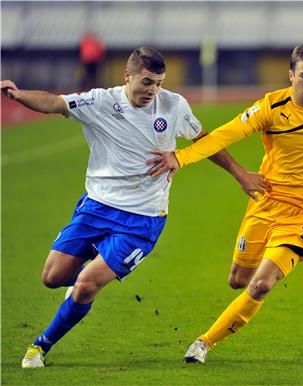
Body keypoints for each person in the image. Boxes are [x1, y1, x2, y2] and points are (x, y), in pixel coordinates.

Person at [1, 47, 268, 369]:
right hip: (96, 207)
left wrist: (240, 175)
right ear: (127, 76)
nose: (152, 91)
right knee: (52, 278)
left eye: (158, 83)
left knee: (86, 286)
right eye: (146, 82)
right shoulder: (100, 102)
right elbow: (54, 102)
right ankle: (79, 285)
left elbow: (204, 140)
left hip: (142, 219)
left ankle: (40, 346)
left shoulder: (173, 105)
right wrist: (17, 94)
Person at [147, 44, 303, 364]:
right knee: (238, 281)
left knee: (259, 285)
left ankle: (203, 343)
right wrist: (182, 157)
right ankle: (264, 269)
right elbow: (226, 134)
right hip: (266, 202)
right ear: (291, 75)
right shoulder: (271, 107)